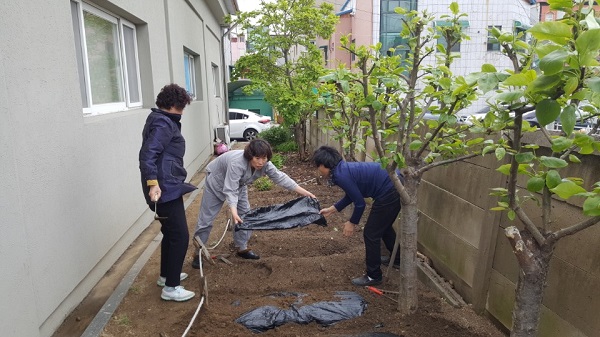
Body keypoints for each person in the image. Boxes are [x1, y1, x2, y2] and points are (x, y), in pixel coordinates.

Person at [192, 139, 316, 266]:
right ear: (250, 156)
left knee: (246, 215)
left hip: (240, 184)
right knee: (206, 218)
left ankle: (242, 247)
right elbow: (230, 189)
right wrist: (233, 211)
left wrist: (305, 193)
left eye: (264, 158)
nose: (261, 162)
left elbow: (280, 178)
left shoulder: (265, 164)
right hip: (217, 181)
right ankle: (198, 252)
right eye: (257, 158)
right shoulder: (237, 163)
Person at [139, 84, 197, 302]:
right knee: (180, 236)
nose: (183, 110)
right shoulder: (163, 123)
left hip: (167, 185)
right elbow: (148, 155)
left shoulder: (159, 120)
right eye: (182, 106)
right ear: (174, 105)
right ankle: (171, 288)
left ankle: (166, 276)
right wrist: (153, 183)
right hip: (164, 188)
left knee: (171, 234)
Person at [312, 146, 401, 287]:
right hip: (394, 184)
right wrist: (333, 209)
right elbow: (352, 195)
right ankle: (397, 260)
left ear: (324, 165)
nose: (319, 171)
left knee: (371, 233)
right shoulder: (343, 169)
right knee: (383, 227)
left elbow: (360, 204)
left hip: (390, 190)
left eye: (318, 167)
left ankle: (374, 276)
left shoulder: (341, 175)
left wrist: (351, 223)